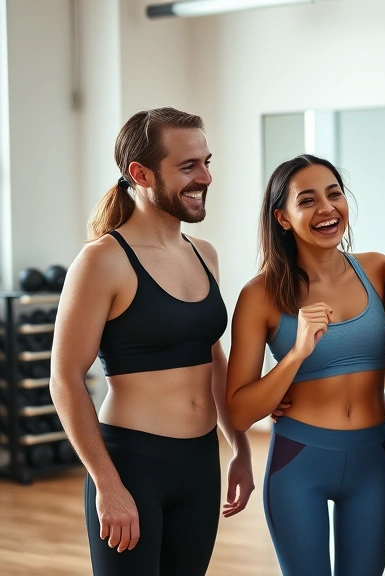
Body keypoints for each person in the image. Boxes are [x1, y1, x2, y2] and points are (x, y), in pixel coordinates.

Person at [49, 107, 253, 575]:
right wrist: (108, 484)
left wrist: (238, 447)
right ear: (140, 174)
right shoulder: (103, 260)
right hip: (132, 464)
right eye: (188, 166)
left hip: (201, 463)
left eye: (206, 161)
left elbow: (210, 353)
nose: (205, 177)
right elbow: (65, 379)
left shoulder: (205, 255)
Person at [225, 155, 385, 576]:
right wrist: (296, 356)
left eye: (334, 194)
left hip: (374, 459)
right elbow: (241, 411)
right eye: (308, 200)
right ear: (283, 218)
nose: (327, 208)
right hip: (299, 462)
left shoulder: (377, 270)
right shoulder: (260, 295)